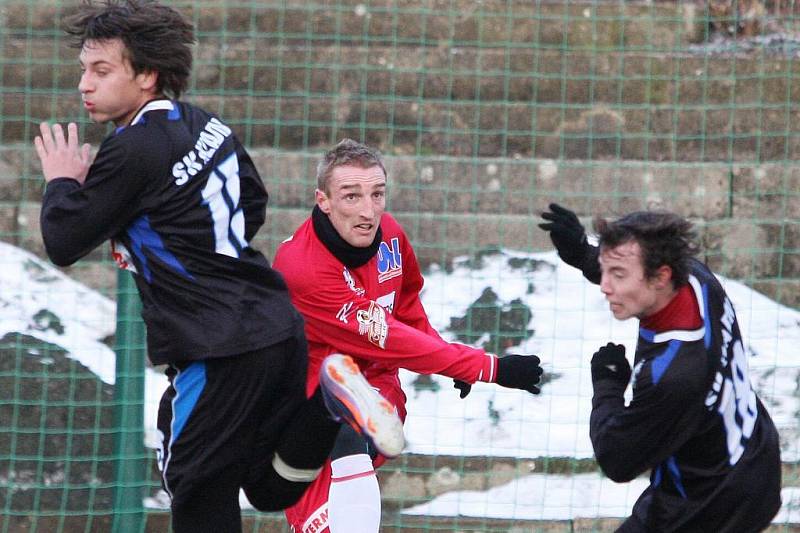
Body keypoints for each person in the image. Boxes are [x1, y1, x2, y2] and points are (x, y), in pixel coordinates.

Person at [33, 2, 404, 532]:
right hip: (275, 326)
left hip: (217, 349)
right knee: (268, 483)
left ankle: (328, 401)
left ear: (146, 75)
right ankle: (328, 403)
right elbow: (251, 199)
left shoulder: (132, 148)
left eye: (101, 70)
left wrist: (63, 180)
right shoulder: (205, 124)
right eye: (83, 70)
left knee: (195, 488)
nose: (83, 85)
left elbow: (63, 239)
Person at [272, 138, 545, 533]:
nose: (369, 211)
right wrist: (488, 366)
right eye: (351, 197)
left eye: (377, 194)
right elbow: (389, 337)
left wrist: (448, 360)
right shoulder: (304, 269)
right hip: (306, 409)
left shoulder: (391, 236)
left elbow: (407, 308)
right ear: (323, 200)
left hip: (378, 396)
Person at [540, 204, 781, 532]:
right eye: (606, 270)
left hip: (708, 505)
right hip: (754, 457)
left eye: (618, 275)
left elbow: (618, 458)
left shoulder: (674, 373)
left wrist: (608, 384)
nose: (605, 286)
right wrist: (583, 253)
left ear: (661, 276)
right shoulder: (695, 278)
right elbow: (637, 271)